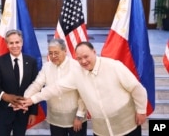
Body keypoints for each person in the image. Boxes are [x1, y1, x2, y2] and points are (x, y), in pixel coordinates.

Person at [20, 42, 148, 136]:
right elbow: (55, 88)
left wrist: (141, 110)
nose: (83, 61)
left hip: (127, 126)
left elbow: (137, 89)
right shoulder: (76, 74)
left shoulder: (114, 66)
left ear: (94, 52)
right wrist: (31, 100)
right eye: (79, 58)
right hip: (101, 131)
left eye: (86, 56)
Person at [24, 38, 87, 136]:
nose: (53, 56)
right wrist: (24, 99)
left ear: (65, 51)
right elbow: (36, 84)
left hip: (75, 118)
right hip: (55, 119)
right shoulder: (46, 67)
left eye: (56, 53)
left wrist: (79, 116)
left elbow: (83, 94)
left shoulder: (76, 67)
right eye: (50, 53)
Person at [0, 29, 38, 136]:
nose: (14, 45)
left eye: (17, 42)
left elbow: (36, 87)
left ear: (22, 43)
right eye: (11, 43)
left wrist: (33, 112)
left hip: (23, 112)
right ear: (7, 44)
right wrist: (9, 103)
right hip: (3, 113)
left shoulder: (31, 62)